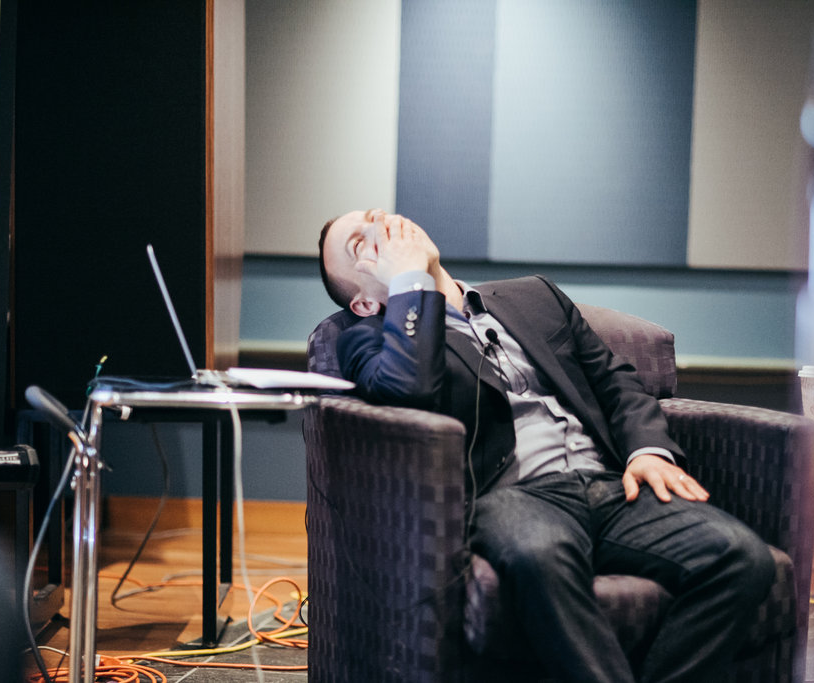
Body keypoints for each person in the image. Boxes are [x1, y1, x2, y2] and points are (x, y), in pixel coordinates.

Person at [317, 208, 775, 683]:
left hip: (613, 486)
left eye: (378, 217)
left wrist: (648, 451)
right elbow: (409, 391)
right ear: (364, 304)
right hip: (513, 497)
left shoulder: (534, 296)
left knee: (741, 557)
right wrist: (409, 282)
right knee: (541, 555)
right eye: (361, 243)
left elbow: (616, 382)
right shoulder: (364, 339)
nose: (383, 228)